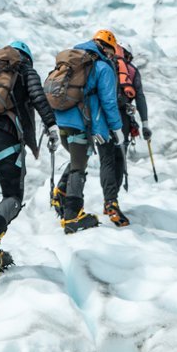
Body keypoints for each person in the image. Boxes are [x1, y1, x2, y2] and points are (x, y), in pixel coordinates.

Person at [0, 41, 59, 276]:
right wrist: (51, 125)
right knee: (12, 196)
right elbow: (38, 97)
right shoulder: (24, 69)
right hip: (2, 137)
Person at [50, 30, 123, 234]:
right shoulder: (102, 67)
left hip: (60, 120)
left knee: (78, 159)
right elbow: (107, 103)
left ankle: (61, 192)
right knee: (79, 168)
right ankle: (73, 216)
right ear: (106, 49)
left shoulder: (72, 62)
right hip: (81, 124)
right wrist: (116, 129)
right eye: (111, 52)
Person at [98, 43, 152, 226]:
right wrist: (144, 123)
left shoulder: (102, 66)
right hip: (124, 119)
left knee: (106, 160)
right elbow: (140, 97)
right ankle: (112, 201)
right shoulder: (131, 70)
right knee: (119, 159)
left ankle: (109, 201)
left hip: (103, 119)